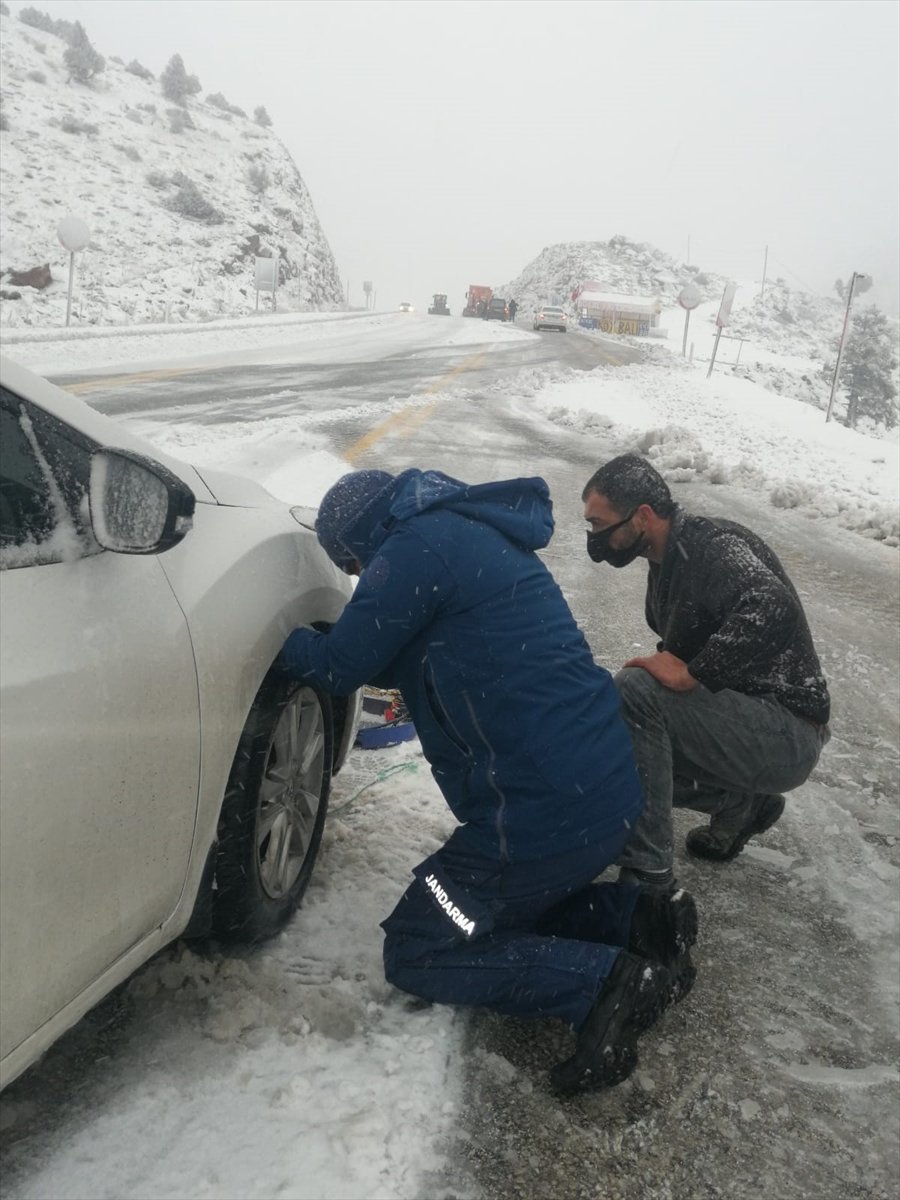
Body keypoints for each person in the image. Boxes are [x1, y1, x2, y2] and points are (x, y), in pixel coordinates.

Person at [279, 467, 698, 1094]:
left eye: (356, 563)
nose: (365, 577)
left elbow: (341, 665)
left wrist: (272, 645)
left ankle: (608, 985)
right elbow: (413, 651)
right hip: (599, 793)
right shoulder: (468, 536)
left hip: (536, 815)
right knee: (501, 909)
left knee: (422, 944)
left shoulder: (414, 549)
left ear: (363, 537)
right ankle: (640, 922)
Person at [582, 454, 831, 894]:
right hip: (748, 725)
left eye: (600, 525)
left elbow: (773, 607)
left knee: (636, 694)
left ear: (643, 516)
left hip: (788, 732)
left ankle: (648, 878)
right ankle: (739, 806)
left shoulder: (710, 545)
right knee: (607, 739)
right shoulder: (666, 561)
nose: (595, 538)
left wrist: (698, 672)